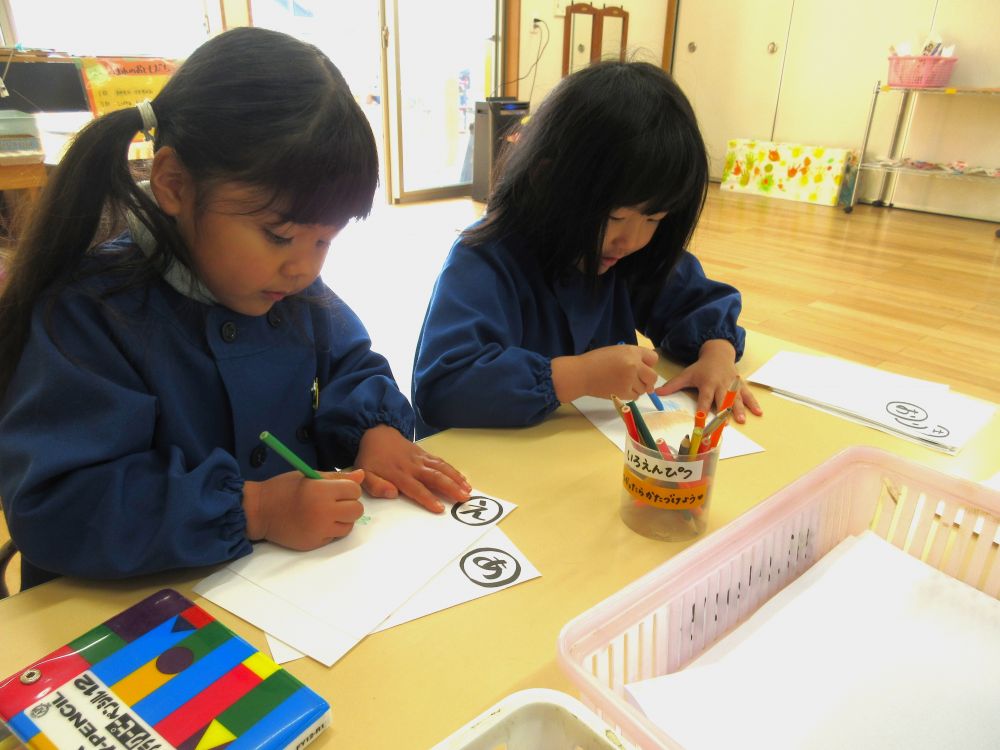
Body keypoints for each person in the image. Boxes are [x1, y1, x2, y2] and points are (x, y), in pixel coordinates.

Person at [0, 27, 470, 591]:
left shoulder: (290, 292)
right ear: (173, 184)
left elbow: (353, 364)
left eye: (326, 241)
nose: (305, 269)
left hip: (293, 592)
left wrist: (375, 432)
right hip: (139, 614)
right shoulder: (91, 314)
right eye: (279, 235)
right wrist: (256, 509)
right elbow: (59, 506)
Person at [412, 60, 762, 437]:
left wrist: (717, 355)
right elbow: (443, 386)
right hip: (489, 476)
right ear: (547, 179)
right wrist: (576, 376)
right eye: (614, 217)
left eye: (654, 219)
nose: (632, 240)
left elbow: (696, 301)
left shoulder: (629, 257)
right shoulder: (485, 259)